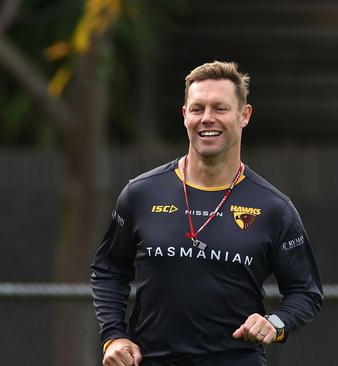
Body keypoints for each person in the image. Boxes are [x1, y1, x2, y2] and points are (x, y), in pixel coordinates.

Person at [90, 61, 323, 366]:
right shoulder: (140, 193)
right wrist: (114, 336)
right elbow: (109, 271)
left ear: (244, 115)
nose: (207, 118)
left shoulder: (274, 208)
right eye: (197, 108)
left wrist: (275, 323)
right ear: (185, 115)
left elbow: (306, 292)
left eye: (220, 108)